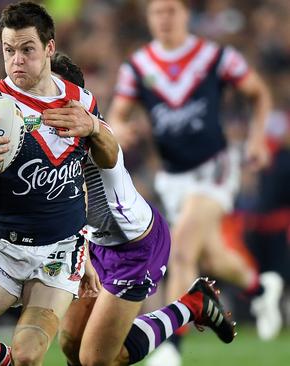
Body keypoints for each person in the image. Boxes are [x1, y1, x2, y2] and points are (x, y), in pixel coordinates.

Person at [0, 3, 117, 365]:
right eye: (9, 50)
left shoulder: (80, 100)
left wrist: (94, 127)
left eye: (27, 49)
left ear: (49, 48)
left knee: (31, 357)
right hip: (2, 248)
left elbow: (108, 160)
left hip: (59, 253)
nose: (17, 59)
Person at [107, 0, 282, 363]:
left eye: (172, 10)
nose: (165, 18)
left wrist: (255, 137)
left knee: (182, 250)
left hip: (214, 168)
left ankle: (171, 346)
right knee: (212, 256)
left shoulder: (215, 57)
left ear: (187, 14)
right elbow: (117, 117)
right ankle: (262, 287)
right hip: (172, 178)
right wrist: (122, 129)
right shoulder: (138, 67)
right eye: (158, 12)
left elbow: (258, 93)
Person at [50, 52, 236, 366]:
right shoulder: (43, 134)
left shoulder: (89, 135)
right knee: (70, 344)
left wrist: (96, 126)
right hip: (97, 242)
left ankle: (191, 305)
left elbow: (103, 155)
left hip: (134, 246)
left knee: (96, 359)